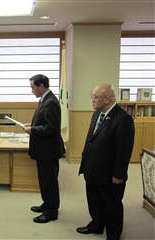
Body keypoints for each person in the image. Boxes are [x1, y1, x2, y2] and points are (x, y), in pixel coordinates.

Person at [77, 83, 135, 240]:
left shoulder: (123, 119)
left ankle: (113, 235)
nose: (92, 100)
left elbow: (124, 150)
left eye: (95, 97)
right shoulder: (97, 113)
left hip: (110, 173)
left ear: (107, 99)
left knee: (112, 206)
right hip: (92, 168)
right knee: (94, 201)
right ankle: (96, 225)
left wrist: (119, 173)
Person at [23, 74, 64, 223]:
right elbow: (44, 122)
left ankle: (51, 212)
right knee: (46, 180)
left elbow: (52, 128)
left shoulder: (51, 102)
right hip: (44, 150)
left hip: (48, 150)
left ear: (41, 86)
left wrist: (33, 130)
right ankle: (48, 204)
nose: (32, 91)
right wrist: (32, 125)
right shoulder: (45, 100)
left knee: (49, 181)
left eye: (33, 87)